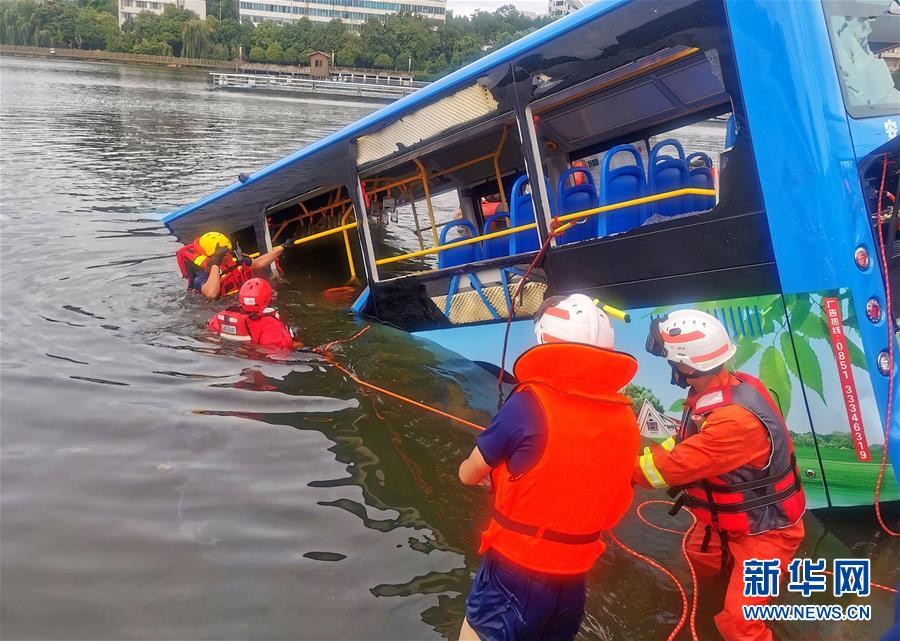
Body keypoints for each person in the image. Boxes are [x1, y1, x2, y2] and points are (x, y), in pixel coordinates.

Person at [457, 294, 640, 641]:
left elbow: (468, 475)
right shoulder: (625, 418)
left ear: (545, 339)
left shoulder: (529, 402)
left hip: (514, 571)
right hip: (573, 579)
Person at [636, 309, 806, 641]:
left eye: (670, 359)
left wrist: (614, 464)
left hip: (766, 535)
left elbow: (666, 470)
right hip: (726, 525)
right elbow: (687, 443)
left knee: (740, 624)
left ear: (686, 366)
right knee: (697, 567)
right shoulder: (720, 390)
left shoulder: (733, 421)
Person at [176, 231, 292, 300]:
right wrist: (216, 263)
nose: (227, 257)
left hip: (242, 300)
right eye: (222, 255)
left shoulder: (234, 259)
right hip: (220, 308)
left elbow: (260, 262)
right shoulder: (201, 276)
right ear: (211, 256)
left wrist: (283, 247)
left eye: (227, 253)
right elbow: (211, 294)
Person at [208, 278, 298, 350]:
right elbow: (280, 350)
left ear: (241, 298)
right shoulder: (270, 324)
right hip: (254, 358)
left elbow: (210, 336)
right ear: (268, 299)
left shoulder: (219, 317)